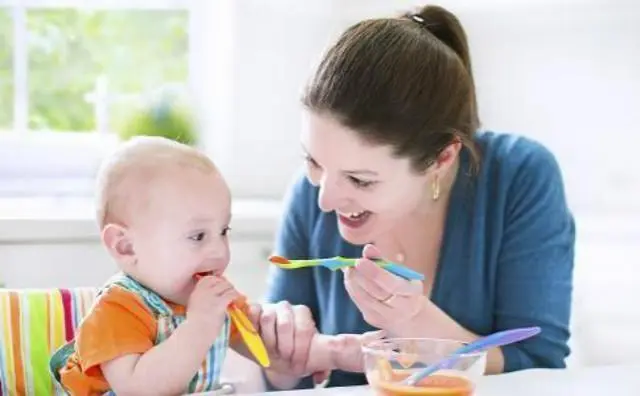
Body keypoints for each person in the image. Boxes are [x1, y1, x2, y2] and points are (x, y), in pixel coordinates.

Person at [258, 3, 575, 390]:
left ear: (441, 158)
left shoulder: (520, 177)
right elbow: (277, 379)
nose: (324, 199)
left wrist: (412, 321)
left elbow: (538, 360)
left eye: (360, 180)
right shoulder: (311, 193)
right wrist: (281, 359)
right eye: (313, 160)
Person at [48, 136, 383, 395]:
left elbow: (273, 352)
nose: (220, 251)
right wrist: (199, 325)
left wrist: (342, 351)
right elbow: (139, 388)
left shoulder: (212, 299)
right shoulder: (116, 311)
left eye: (224, 231)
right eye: (197, 236)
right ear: (125, 246)